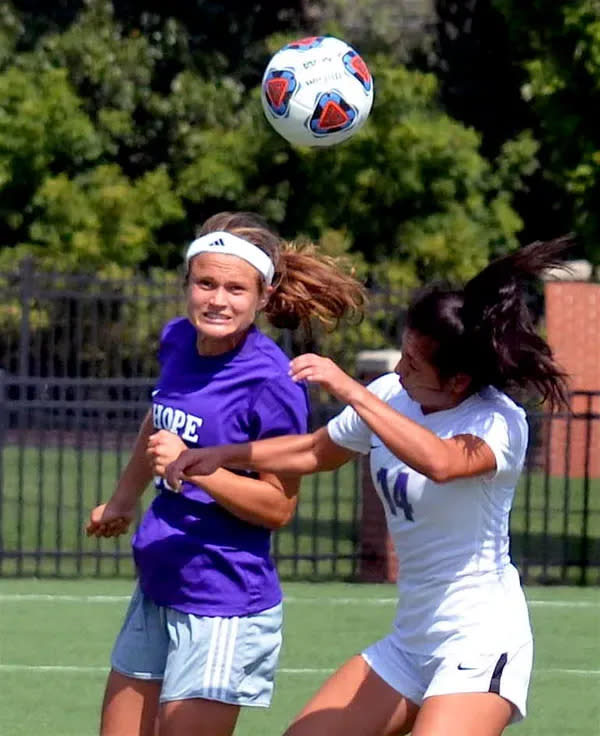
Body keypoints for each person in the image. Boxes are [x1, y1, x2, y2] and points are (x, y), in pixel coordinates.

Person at [165, 239, 570, 736]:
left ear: (460, 380)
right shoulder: (392, 396)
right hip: (409, 642)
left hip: (480, 641)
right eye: (402, 354)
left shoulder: (498, 422)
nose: (399, 370)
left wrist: (348, 388)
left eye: (414, 365)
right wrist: (225, 455)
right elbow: (316, 451)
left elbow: (440, 462)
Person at [85, 210, 366, 736]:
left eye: (236, 289)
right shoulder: (177, 340)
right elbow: (159, 417)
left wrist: (199, 472)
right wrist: (124, 498)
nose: (218, 299)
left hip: (222, 601)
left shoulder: (271, 381)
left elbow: (278, 507)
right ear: (187, 284)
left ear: (262, 297)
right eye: (206, 283)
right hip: (159, 580)